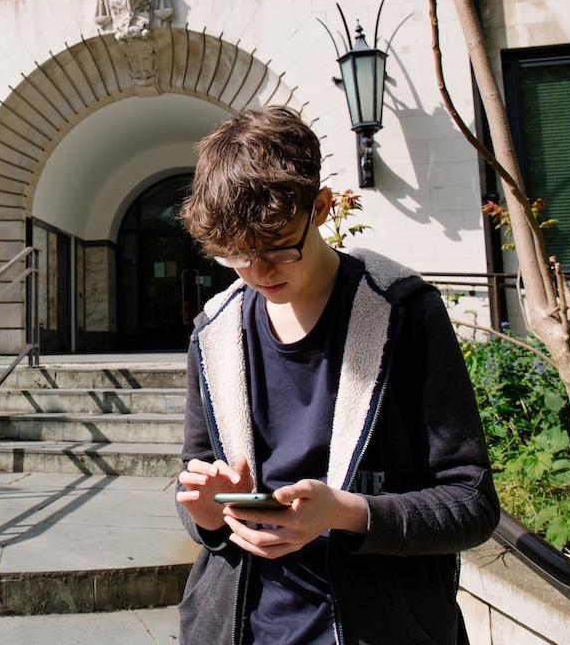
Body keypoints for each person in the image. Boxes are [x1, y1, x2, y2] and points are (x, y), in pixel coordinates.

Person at [175, 106, 499, 645]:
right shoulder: (215, 330)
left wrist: (347, 513)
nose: (258, 272)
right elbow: (193, 488)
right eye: (235, 255)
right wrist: (208, 514)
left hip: (385, 625)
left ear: (321, 207)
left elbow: (471, 503)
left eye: (278, 247)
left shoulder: (402, 311)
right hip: (239, 625)